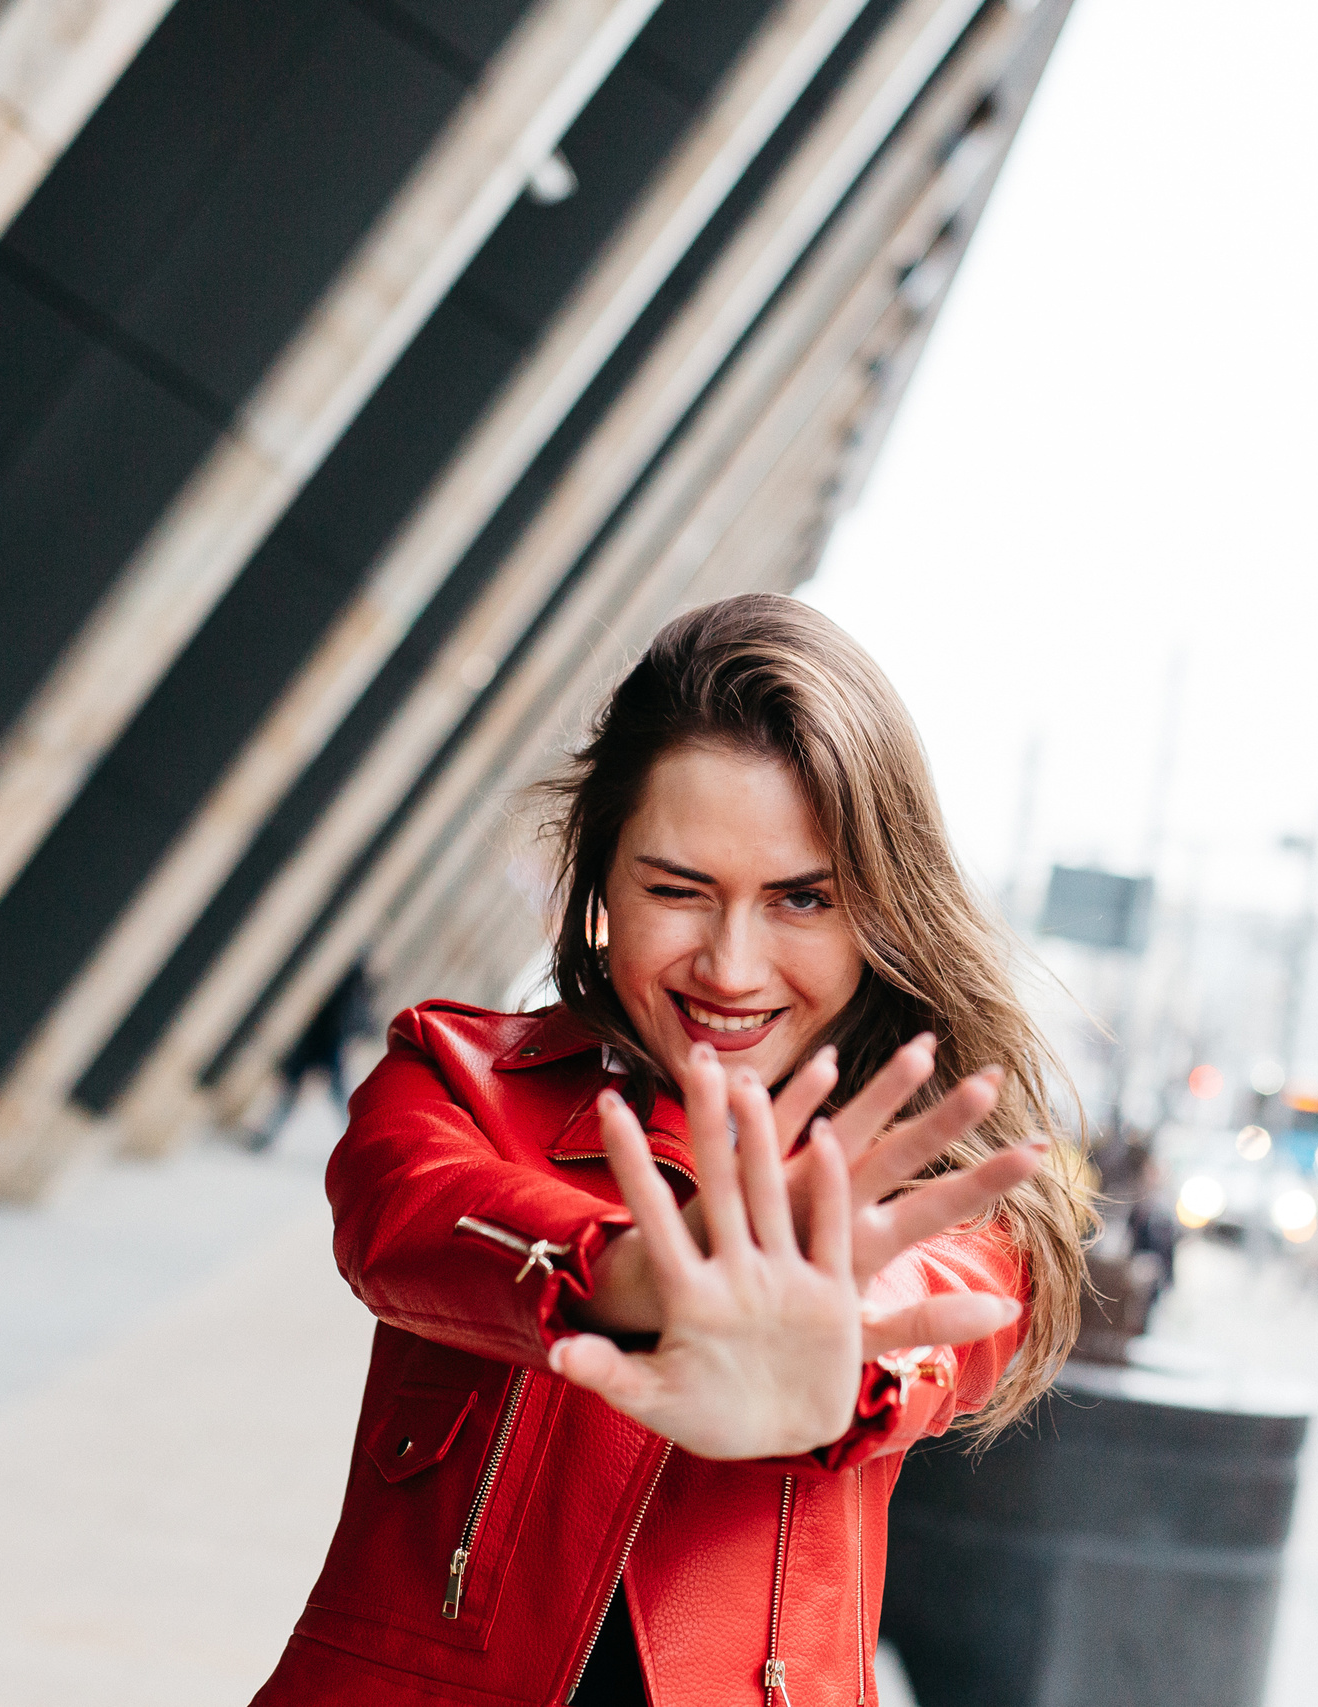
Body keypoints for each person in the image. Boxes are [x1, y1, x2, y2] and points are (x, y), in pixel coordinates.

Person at [249, 595, 1092, 1706]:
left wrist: (822, 1349)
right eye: (677, 891)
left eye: (801, 899)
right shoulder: (455, 1076)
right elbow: (400, 1217)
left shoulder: (953, 1187)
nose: (732, 968)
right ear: (600, 881)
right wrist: (633, 1275)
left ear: (883, 910)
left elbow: (931, 1303)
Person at [243, 962, 374, 1151]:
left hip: (324, 1049)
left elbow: (354, 1023)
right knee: (323, 1097)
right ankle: (362, 1140)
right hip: (321, 1049)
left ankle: (362, 1140)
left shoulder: (348, 990)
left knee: (319, 1097)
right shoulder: (351, 990)